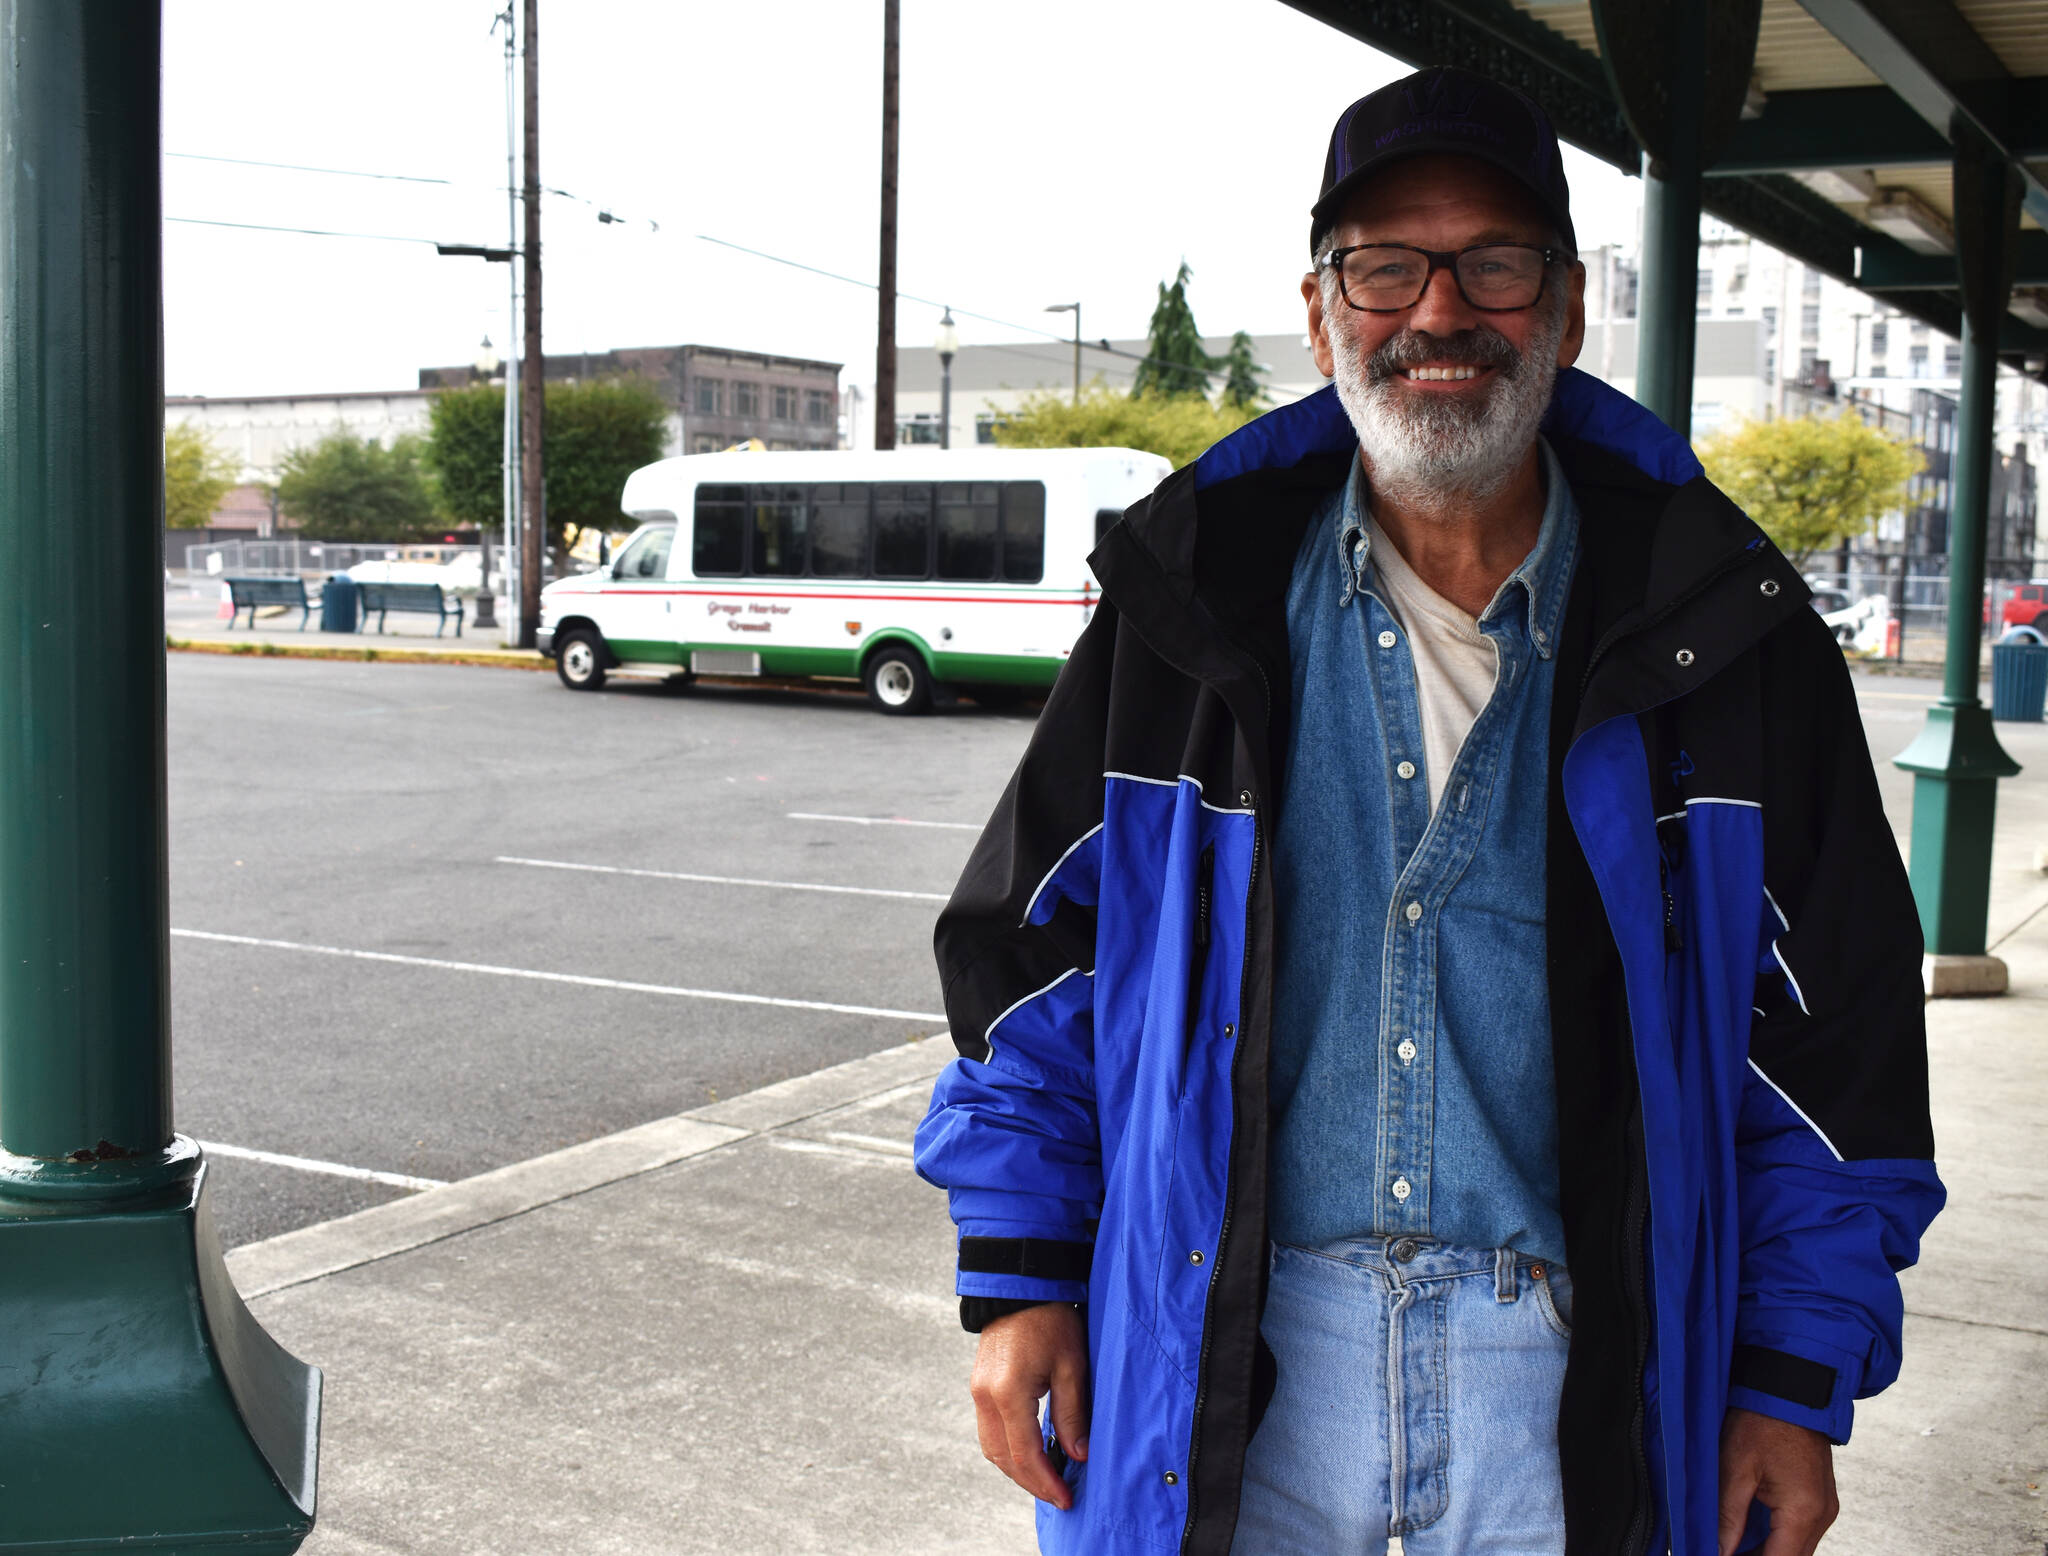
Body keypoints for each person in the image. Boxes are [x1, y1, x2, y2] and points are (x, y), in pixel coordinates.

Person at [913, 66, 1943, 1556]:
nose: (1439, 313)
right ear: (1325, 310)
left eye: (1495, 263)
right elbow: (1032, 969)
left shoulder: (1726, 636)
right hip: (1230, 1362)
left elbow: (1834, 1062)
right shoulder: (1184, 613)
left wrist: (1789, 1379)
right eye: (1385, 266)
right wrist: (1022, 1276)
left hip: (1578, 1386)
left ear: (1569, 310)